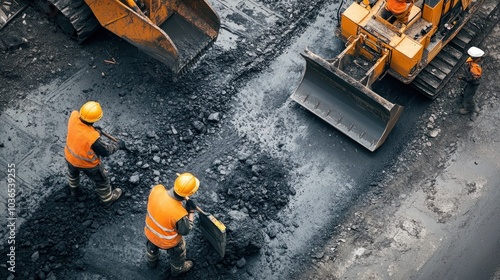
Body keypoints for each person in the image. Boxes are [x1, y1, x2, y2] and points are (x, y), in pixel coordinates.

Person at [64, 101, 125, 207]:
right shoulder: (93, 138)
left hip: (70, 157)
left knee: (73, 174)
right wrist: (118, 145)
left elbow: (81, 130)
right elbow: (106, 151)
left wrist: (94, 130)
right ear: (96, 119)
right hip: (88, 165)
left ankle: (74, 190)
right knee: (102, 181)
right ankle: (107, 199)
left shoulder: (74, 116)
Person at [144, 173, 200, 277]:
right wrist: (191, 212)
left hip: (150, 234)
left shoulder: (157, 189)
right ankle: (178, 269)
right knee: (178, 255)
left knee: (151, 250)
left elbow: (163, 206)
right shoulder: (179, 214)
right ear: (189, 194)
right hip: (169, 243)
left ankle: (151, 262)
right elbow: (185, 230)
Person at [458, 46, 484, 115]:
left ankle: (470, 108)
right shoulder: (473, 62)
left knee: (469, 96)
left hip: (473, 84)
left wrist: (463, 78)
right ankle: (464, 96)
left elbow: (472, 79)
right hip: (470, 82)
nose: (471, 57)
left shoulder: (476, 69)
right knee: (466, 89)